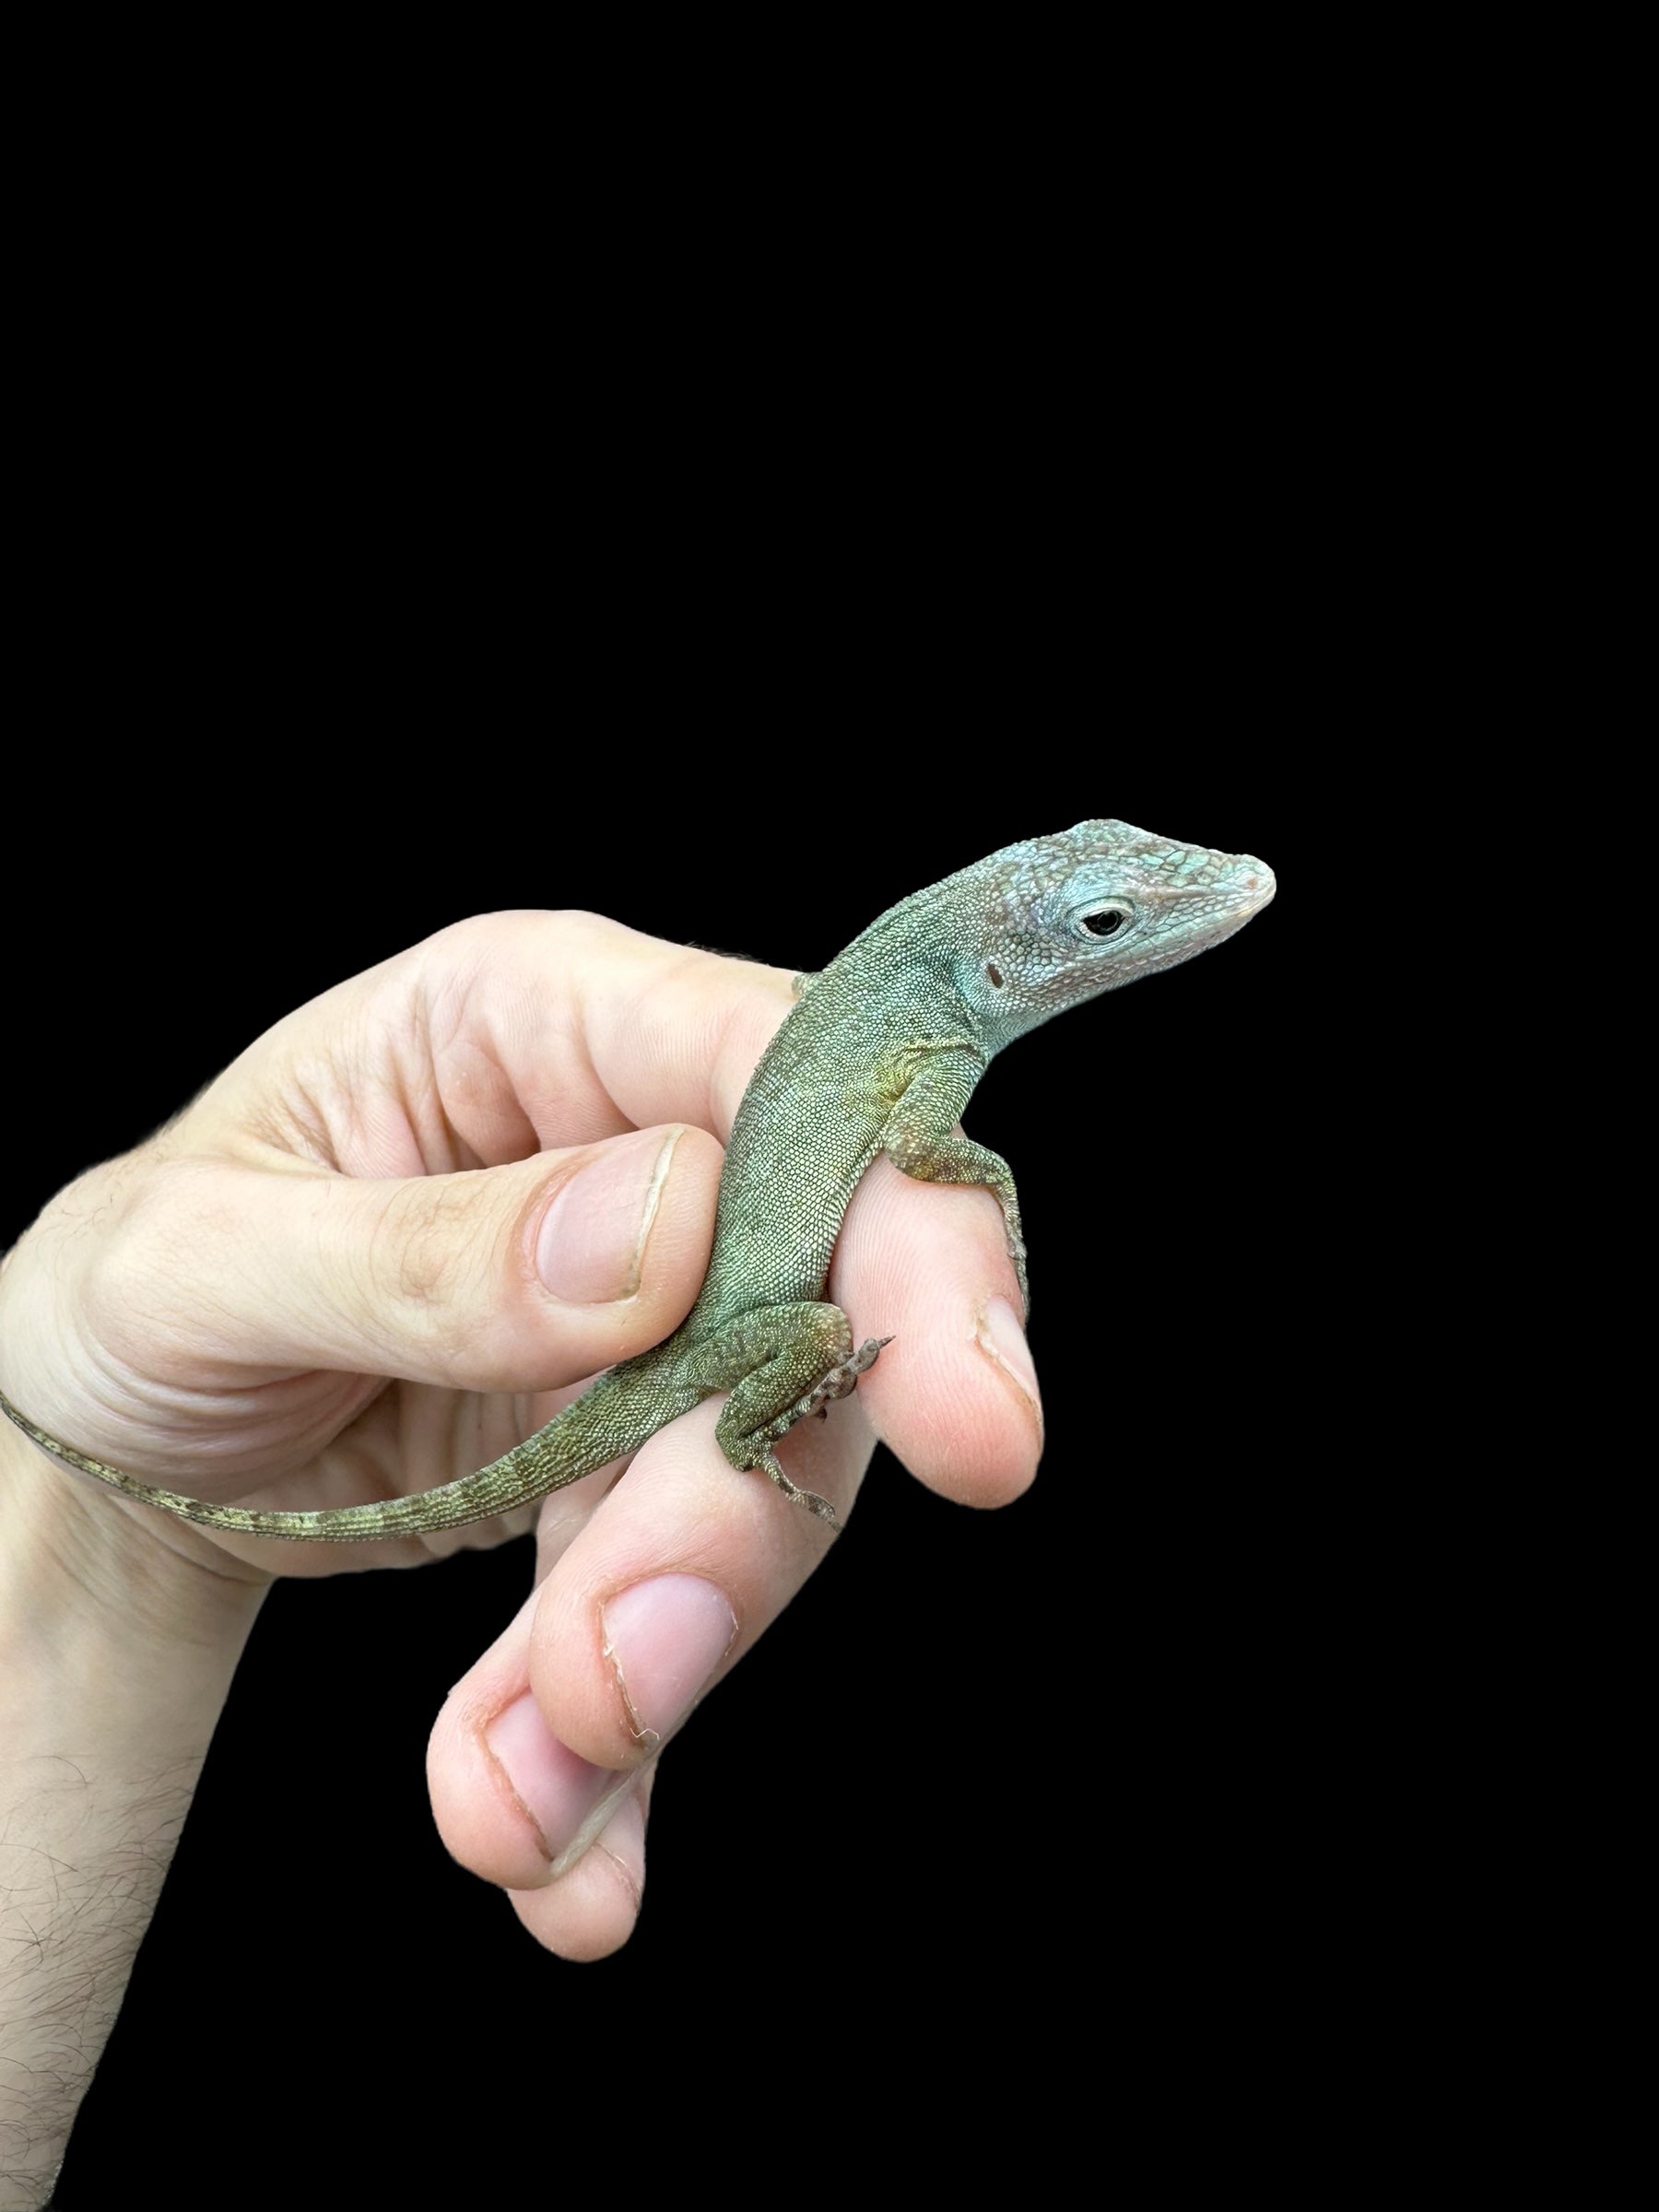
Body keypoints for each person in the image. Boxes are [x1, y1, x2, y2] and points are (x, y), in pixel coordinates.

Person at [0, 907, 1041, 2200]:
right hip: (706, 1340)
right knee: (830, 1340)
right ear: (996, 964)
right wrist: (991, 1178)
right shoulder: (927, 1041)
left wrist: (115, 1537)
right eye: (1100, 925)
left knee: (830, 1338)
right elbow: (933, 1148)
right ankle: (765, 1421)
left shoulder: (911, 1007)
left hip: (667, 1326)